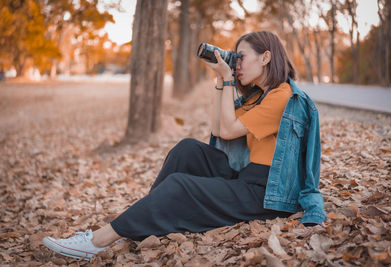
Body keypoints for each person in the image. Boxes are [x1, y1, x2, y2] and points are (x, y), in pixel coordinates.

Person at [42, 31, 326, 260]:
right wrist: (219, 80)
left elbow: (226, 130)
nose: (237, 64)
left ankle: (96, 242)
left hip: (266, 194)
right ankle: (145, 219)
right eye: (235, 59)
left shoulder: (283, 96)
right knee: (187, 149)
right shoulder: (258, 97)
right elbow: (218, 129)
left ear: (266, 58)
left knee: (180, 185)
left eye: (242, 58)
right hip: (248, 178)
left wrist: (228, 80)